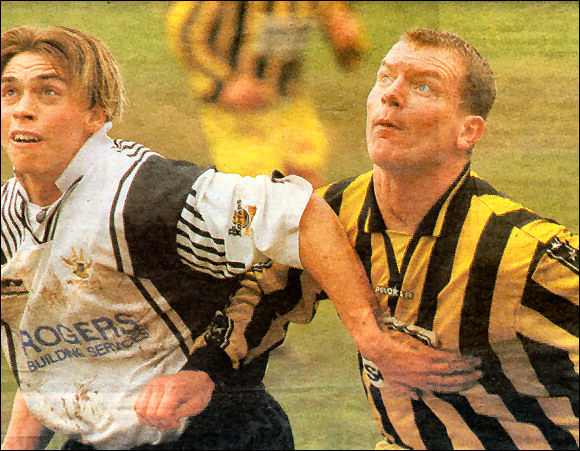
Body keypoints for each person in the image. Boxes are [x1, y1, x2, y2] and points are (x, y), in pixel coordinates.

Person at [0, 24, 483, 450]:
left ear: (95, 115)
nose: (23, 110)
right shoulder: (8, 217)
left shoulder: (147, 196)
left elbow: (301, 211)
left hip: (213, 435)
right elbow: (51, 342)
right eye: (9, 92)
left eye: (48, 93)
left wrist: (370, 335)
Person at [186, 28, 580, 449]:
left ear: (468, 133)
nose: (392, 95)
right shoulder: (332, 214)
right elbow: (261, 290)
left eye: (424, 86)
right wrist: (199, 372)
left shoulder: (521, 250)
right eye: (385, 78)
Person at [165, 0, 367, 188]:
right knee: (259, 191)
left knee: (309, 181)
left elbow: (342, 28)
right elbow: (183, 28)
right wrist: (221, 85)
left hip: (289, 101)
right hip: (240, 113)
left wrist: (348, 41)